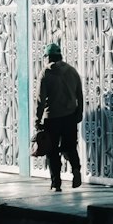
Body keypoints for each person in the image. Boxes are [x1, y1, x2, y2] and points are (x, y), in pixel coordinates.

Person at [35, 41, 84, 191]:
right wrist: (79, 112)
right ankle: (76, 168)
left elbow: (40, 99)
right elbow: (79, 94)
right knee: (70, 146)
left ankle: (56, 183)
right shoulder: (72, 71)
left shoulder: (45, 73)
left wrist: (37, 118)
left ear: (48, 57)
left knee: (52, 150)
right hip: (70, 116)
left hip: (52, 118)